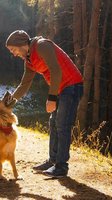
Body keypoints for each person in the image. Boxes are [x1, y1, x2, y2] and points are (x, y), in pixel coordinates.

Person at [5, 30, 83, 178]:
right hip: (61, 88)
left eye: (13, 49)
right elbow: (24, 84)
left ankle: (61, 167)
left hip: (72, 85)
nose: (14, 54)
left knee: (62, 124)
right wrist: (9, 103)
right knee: (53, 123)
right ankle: (53, 161)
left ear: (21, 44)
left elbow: (56, 70)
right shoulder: (28, 60)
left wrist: (52, 98)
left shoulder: (41, 46)